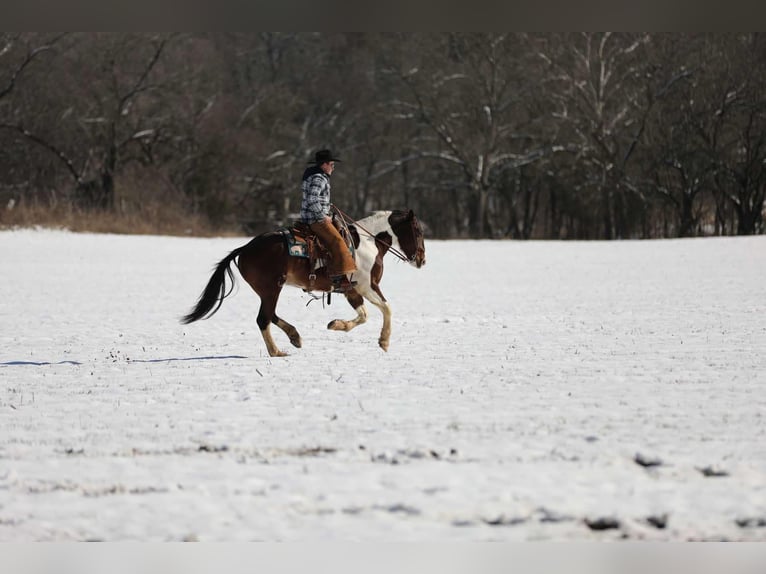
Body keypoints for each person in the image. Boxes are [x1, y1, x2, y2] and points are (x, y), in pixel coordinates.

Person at [300, 149, 357, 293]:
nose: (333, 167)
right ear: (324, 165)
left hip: (312, 216)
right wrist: (322, 215)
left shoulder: (313, 175)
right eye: (331, 164)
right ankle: (339, 278)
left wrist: (327, 205)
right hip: (315, 219)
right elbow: (312, 199)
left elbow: (316, 198)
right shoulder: (319, 178)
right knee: (337, 241)